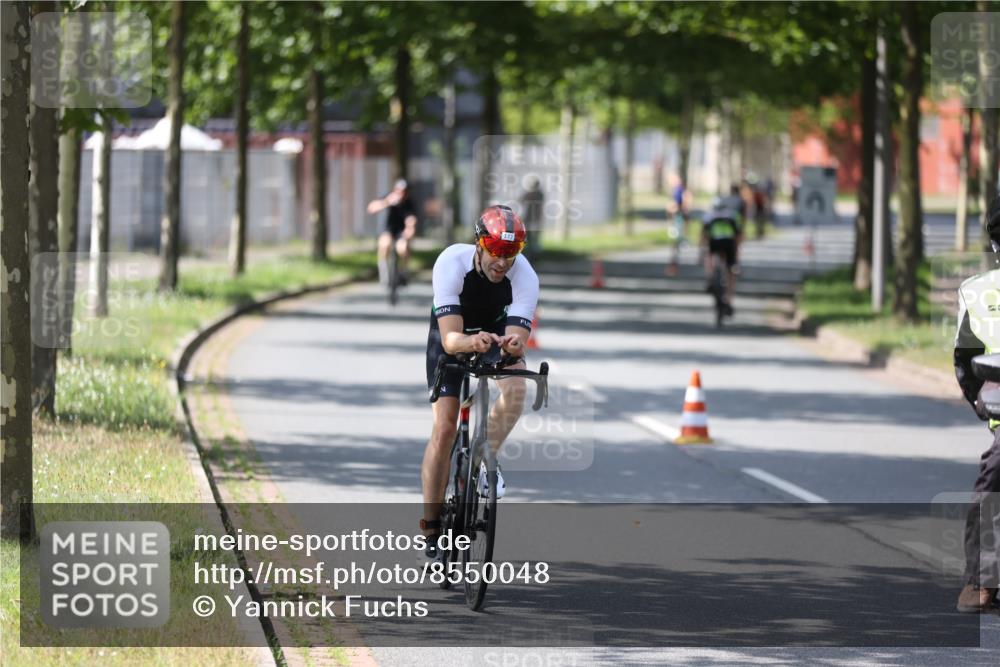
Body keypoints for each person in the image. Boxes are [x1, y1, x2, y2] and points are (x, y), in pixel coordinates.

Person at [420, 205, 539, 563]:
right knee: (444, 429)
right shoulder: (450, 264)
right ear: (479, 245)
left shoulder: (526, 277)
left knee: (517, 387)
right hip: (454, 337)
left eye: (511, 252)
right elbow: (450, 339)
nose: (502, 261)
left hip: (494, 337)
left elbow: (517, 339)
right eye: (496, 251)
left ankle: (486, 457)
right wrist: (472, 342)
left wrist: (513, 345)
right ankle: (430, 526)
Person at [954, 192, 1000, 613]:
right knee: (991, 485)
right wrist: (987, 409)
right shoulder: (978, 292)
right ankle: (984, 584)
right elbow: (966, 361)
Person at [367, 179, 418, 285]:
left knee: (402, 248)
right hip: (388, 229)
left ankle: (404, 272)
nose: (401, 194)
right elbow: (371, 208)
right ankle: (384, 273)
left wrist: (409, 231)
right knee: (384, 245)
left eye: (404, 191)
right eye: (399, 191)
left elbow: (411, 220)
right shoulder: (389, 197)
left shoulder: (409, 203)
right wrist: (386, 202)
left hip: (401, 231)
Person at [701, 197, 743, 316]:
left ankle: (710, 278)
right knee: (731, 272)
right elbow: (738, 236)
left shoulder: (709, 216)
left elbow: (704, 235)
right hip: (729, 243)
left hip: (714, 243)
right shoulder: (732, 215)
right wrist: (737, 253)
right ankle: (729, 300)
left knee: (709, 256)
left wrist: (700, 252)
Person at [520, 177, 545, 263]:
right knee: (530, 241)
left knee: (532, 241)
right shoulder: (539, 194)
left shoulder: (534, 194)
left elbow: (522, 200)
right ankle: (531, 257)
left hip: (532, 221)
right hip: (531, 221)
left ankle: (532, 257)